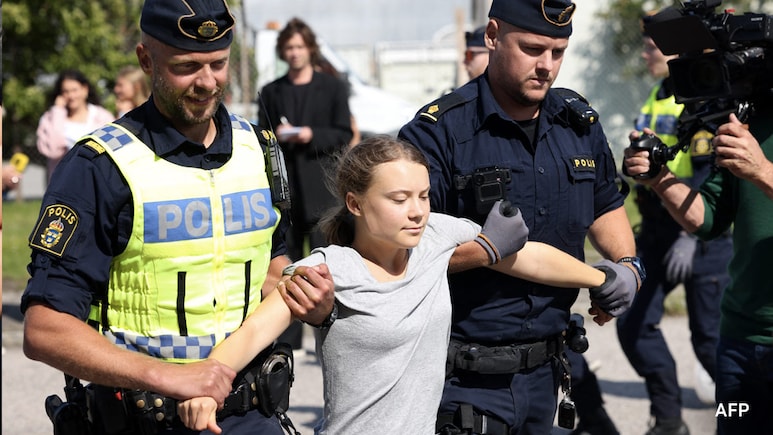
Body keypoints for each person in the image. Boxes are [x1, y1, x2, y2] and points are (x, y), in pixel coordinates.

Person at [21, 1, 335, 434]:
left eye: (219, 64)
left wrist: (306, 295)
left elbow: (271, 265)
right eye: (186, 66)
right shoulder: (99, 166)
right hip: (142, 420)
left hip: (252, 416)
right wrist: (168, 376)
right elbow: (44, 329)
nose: (206, 83)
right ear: (146, 59)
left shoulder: (257, 149)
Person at [176, 135, 631, 434]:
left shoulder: (434, 236)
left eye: (423, 195)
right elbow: (254, 331)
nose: (416, 210)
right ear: (354, 203)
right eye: (398, 199)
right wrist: (203, 387)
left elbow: (522, 257)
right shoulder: (328, 268)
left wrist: (603, 278)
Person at [398, 1, 644, 434]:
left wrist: (627, 266)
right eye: (532, 49)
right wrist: (484, 251)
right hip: (462, 380)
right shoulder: (438, 133)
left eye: (558, 52)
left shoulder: (578, 124)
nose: (547, 66)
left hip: (549, 375)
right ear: (492, 36)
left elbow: (605, 203)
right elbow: (396, 256)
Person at [623, 58, 773, 435]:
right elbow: (707, 218)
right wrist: (659, 177)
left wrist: (762, 171)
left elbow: (759, 174)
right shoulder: (747, 125)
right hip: (739, 344)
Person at [615, 15, 733, 435]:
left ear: (676, 53)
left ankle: (738, 420)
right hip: (657, 230)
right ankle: (668, 420)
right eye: (645, 45)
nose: (646, 52)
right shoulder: (658, 94)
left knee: (710, 340)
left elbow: (708, 173)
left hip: (700, 236)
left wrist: (689, 236)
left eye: (652, 47)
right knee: (633, 323)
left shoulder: (704, 98)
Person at [257, 17, 354, 349]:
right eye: (289, 48)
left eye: (299, 47)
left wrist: (310, 134)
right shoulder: (272, 91)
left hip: (322, 191)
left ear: (310, 49)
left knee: (327, 263)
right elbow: (262, 138)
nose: (294, 53)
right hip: (285, 193)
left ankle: (334, 328)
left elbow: (343, 133)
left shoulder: (332, 88)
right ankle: (287, 337)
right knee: (286, 266)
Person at [36, 69, 115, 180]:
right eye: (66, 91)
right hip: (64, 182)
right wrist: (58, 111)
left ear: (85, 89)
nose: (71, 96)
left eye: (74, 90)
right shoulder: (50, 118)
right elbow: (53, 151)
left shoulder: (102, 116)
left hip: (97, 180)